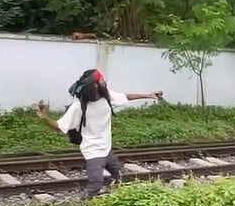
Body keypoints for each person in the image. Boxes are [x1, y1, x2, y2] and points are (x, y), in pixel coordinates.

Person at [35, 69, 162, 198]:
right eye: (102, 80)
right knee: (95, 184)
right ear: (95, 85)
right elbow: (59, 126)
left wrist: (149, 95)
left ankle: (115, 199)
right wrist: (44, 118)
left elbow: (125, 96)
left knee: (119, 176)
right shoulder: (78, 107)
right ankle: (85, 204)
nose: (105, 82)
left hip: (106, 148)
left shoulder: (107, 97)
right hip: (93, 150)